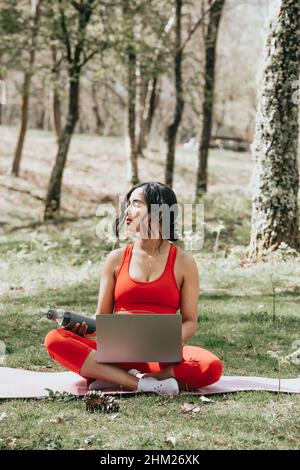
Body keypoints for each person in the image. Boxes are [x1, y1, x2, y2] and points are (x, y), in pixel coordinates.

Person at [44, 181, 223, 396]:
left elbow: (190, 322)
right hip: (117, 351)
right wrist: (87, 328)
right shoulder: (116, 259)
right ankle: (142, 384)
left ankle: (114, 378)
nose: (127, 211)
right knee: (55, 339)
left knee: (210, 365)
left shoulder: (184, 263)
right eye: (128, 204)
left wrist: (161, 340)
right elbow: (102, 316)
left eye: (136, 204)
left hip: (159, 356)